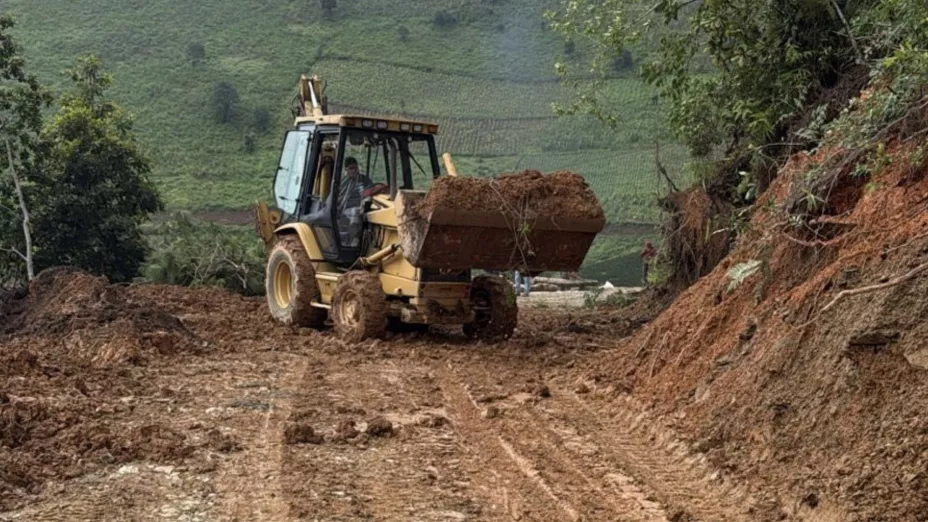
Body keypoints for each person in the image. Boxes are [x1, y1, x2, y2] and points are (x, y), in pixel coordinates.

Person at [338, 156, 373, 247]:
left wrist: (364, 202)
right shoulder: (343, 182)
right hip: (344, 210)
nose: (353, 170)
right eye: (351, 168)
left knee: (355, 212)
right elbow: (337, 197)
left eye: (355, 168)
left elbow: (370, 192)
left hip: (360, 208)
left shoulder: (364, 180)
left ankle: (355, 239)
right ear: (346, 170)